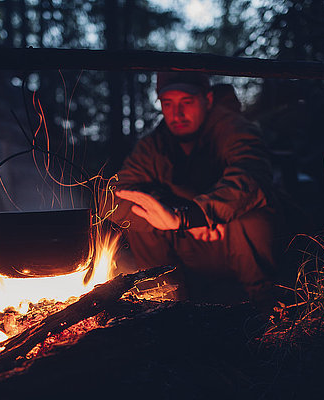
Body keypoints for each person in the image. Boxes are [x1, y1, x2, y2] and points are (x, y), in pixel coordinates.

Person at [110, 71, 279, 311]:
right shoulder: (154, 144)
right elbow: (114, 195)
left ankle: (267, 310)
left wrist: (196, 214)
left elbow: (251, 177)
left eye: (186, 103)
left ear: (207, 100)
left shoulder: (233, 128)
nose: (176, 114)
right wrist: (175, 212)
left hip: (234, 245)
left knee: (252, 213)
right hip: (191, 247)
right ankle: (165, 307)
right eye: (167, 104)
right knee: (140, 211)